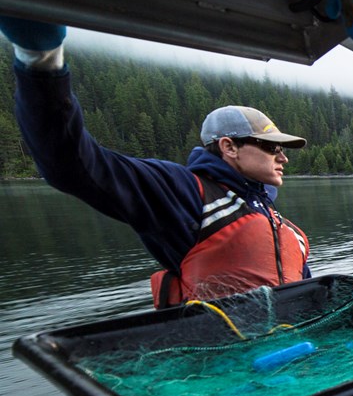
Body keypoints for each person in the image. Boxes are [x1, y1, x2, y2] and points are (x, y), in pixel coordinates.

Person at [0, 17, 312, 308]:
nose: (282, 157)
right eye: (272, 148)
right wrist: (40, 60)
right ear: (229, 147)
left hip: (293, 351)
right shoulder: (183, 192)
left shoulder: (271, 214)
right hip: (227, 357)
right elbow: (73, 164)